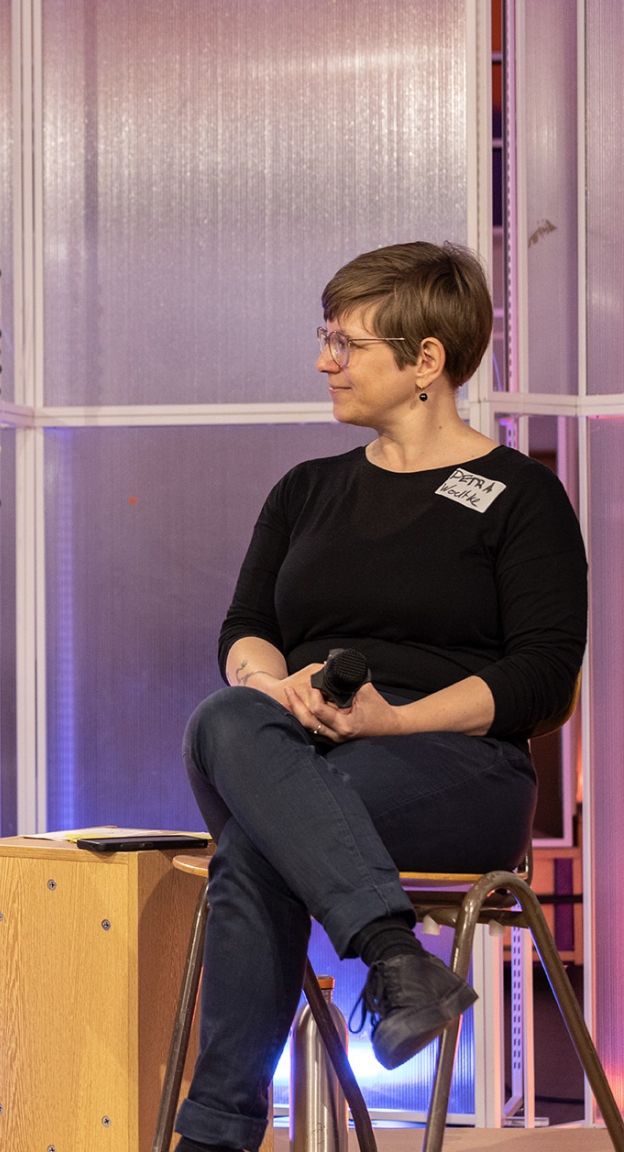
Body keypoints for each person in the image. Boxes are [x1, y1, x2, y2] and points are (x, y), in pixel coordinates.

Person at [173, 241, 588, 1152]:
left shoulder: (521, 498)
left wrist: (394, 718)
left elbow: (543, 680)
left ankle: (214, 1138)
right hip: (301, 745)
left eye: (345, 342)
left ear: (425, 362)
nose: (326, 360)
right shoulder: (307, 490)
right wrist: (269, 681)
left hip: (455, 768)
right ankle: (396, 958)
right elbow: (243, 628)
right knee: (224, 716)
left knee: (261, 845)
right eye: (326, 338)